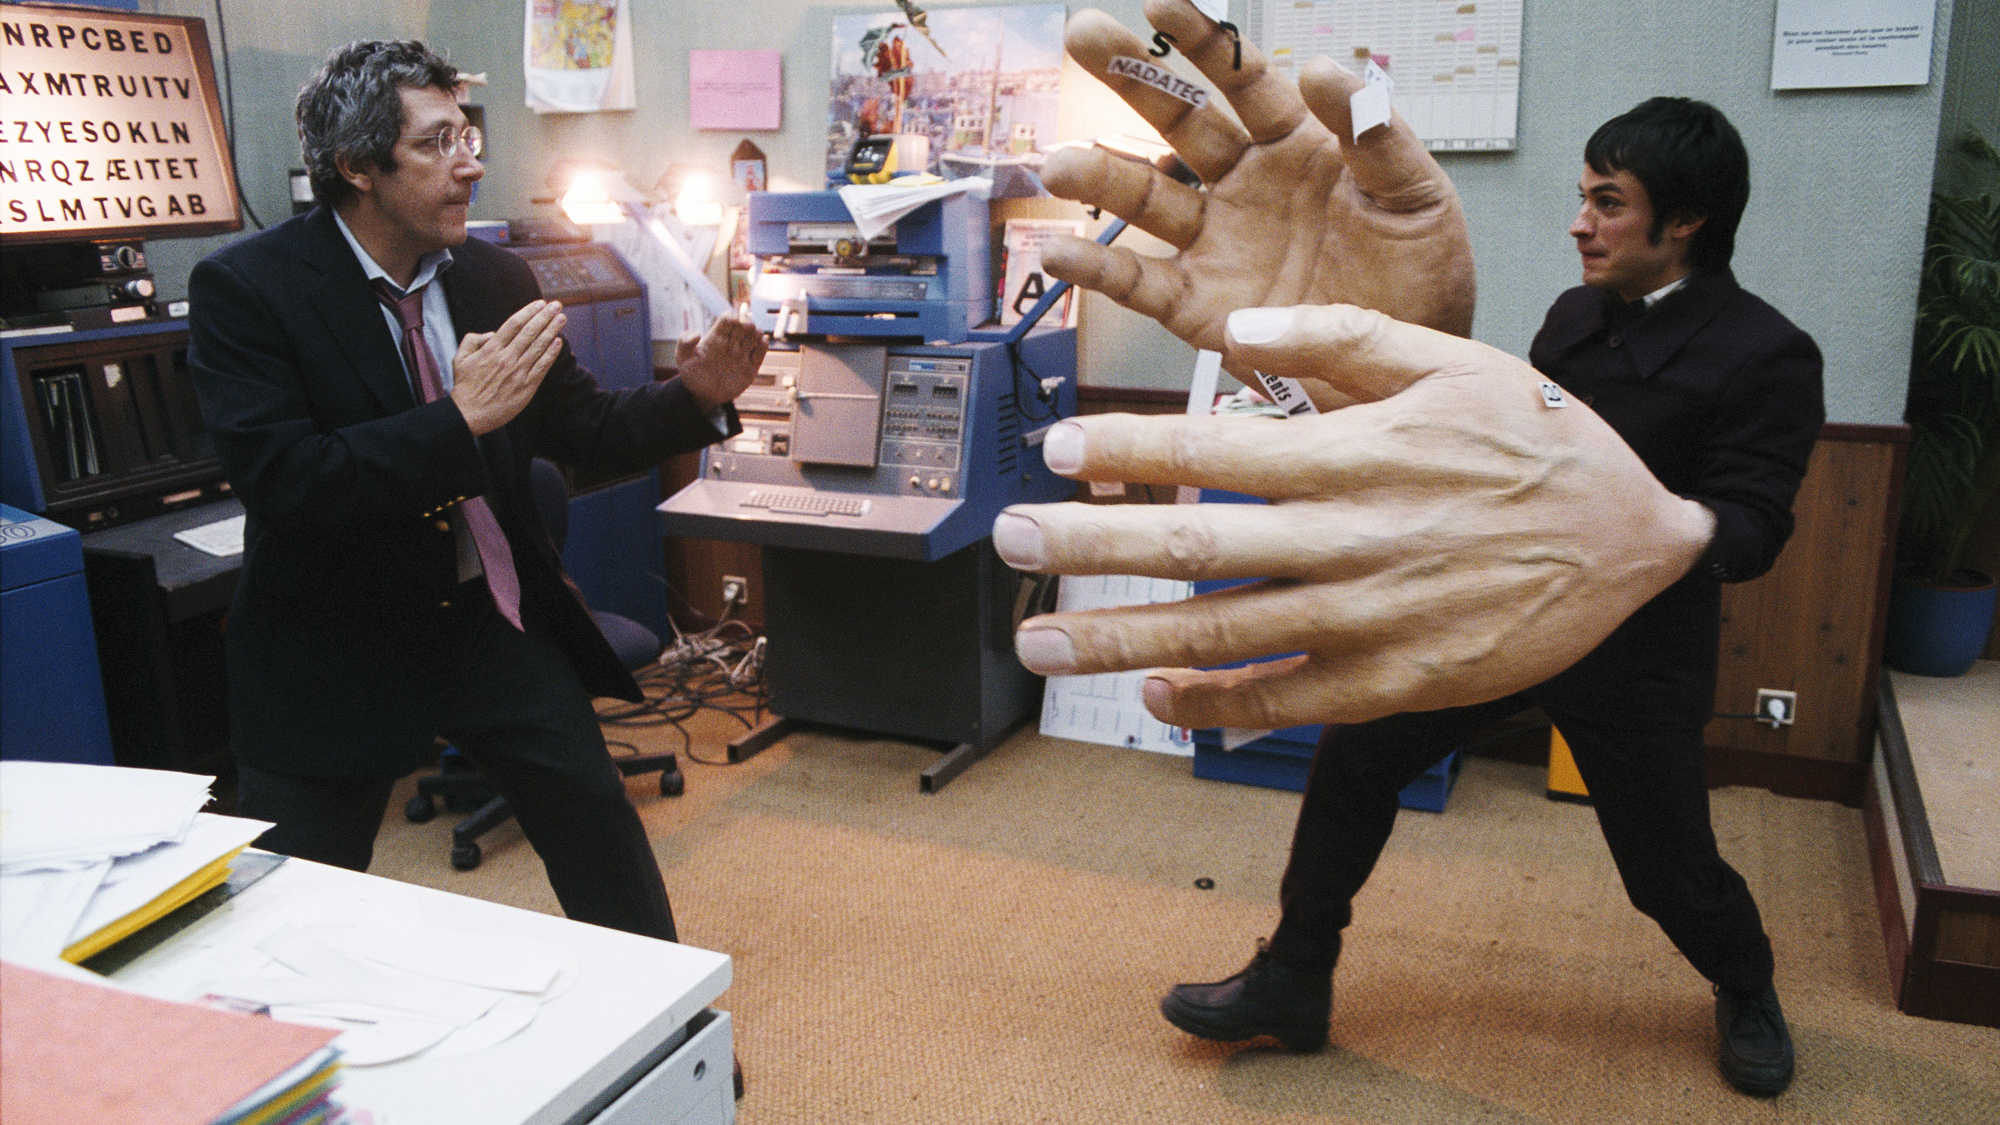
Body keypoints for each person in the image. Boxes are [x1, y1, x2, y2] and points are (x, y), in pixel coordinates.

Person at [991, 3, 1822, 1099]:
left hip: (1634, 648)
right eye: (1580, 194)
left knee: (1663, 870)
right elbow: (1492, 453)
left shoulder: (1768, 353)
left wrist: (1661, 526)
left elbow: (1755, 527)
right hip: (1483, 614)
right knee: (1357, 757)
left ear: (1687, 226)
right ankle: (1292, 978)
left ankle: (1745, 981)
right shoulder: (1575, 320)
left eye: (1606, 204)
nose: (1578, 222)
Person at [188, 40, 766, 946]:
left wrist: (697, 396)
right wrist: (458, 423)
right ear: (356, 167)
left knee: (600, 832)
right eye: (438, 143)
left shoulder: (497, 278)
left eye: (469, 135)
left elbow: (589, 432)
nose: (473, 161)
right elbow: (287, 481)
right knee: (290, 908)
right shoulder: (247, 290)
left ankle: (678, 1043)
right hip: (333, 640)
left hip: (486, 618)